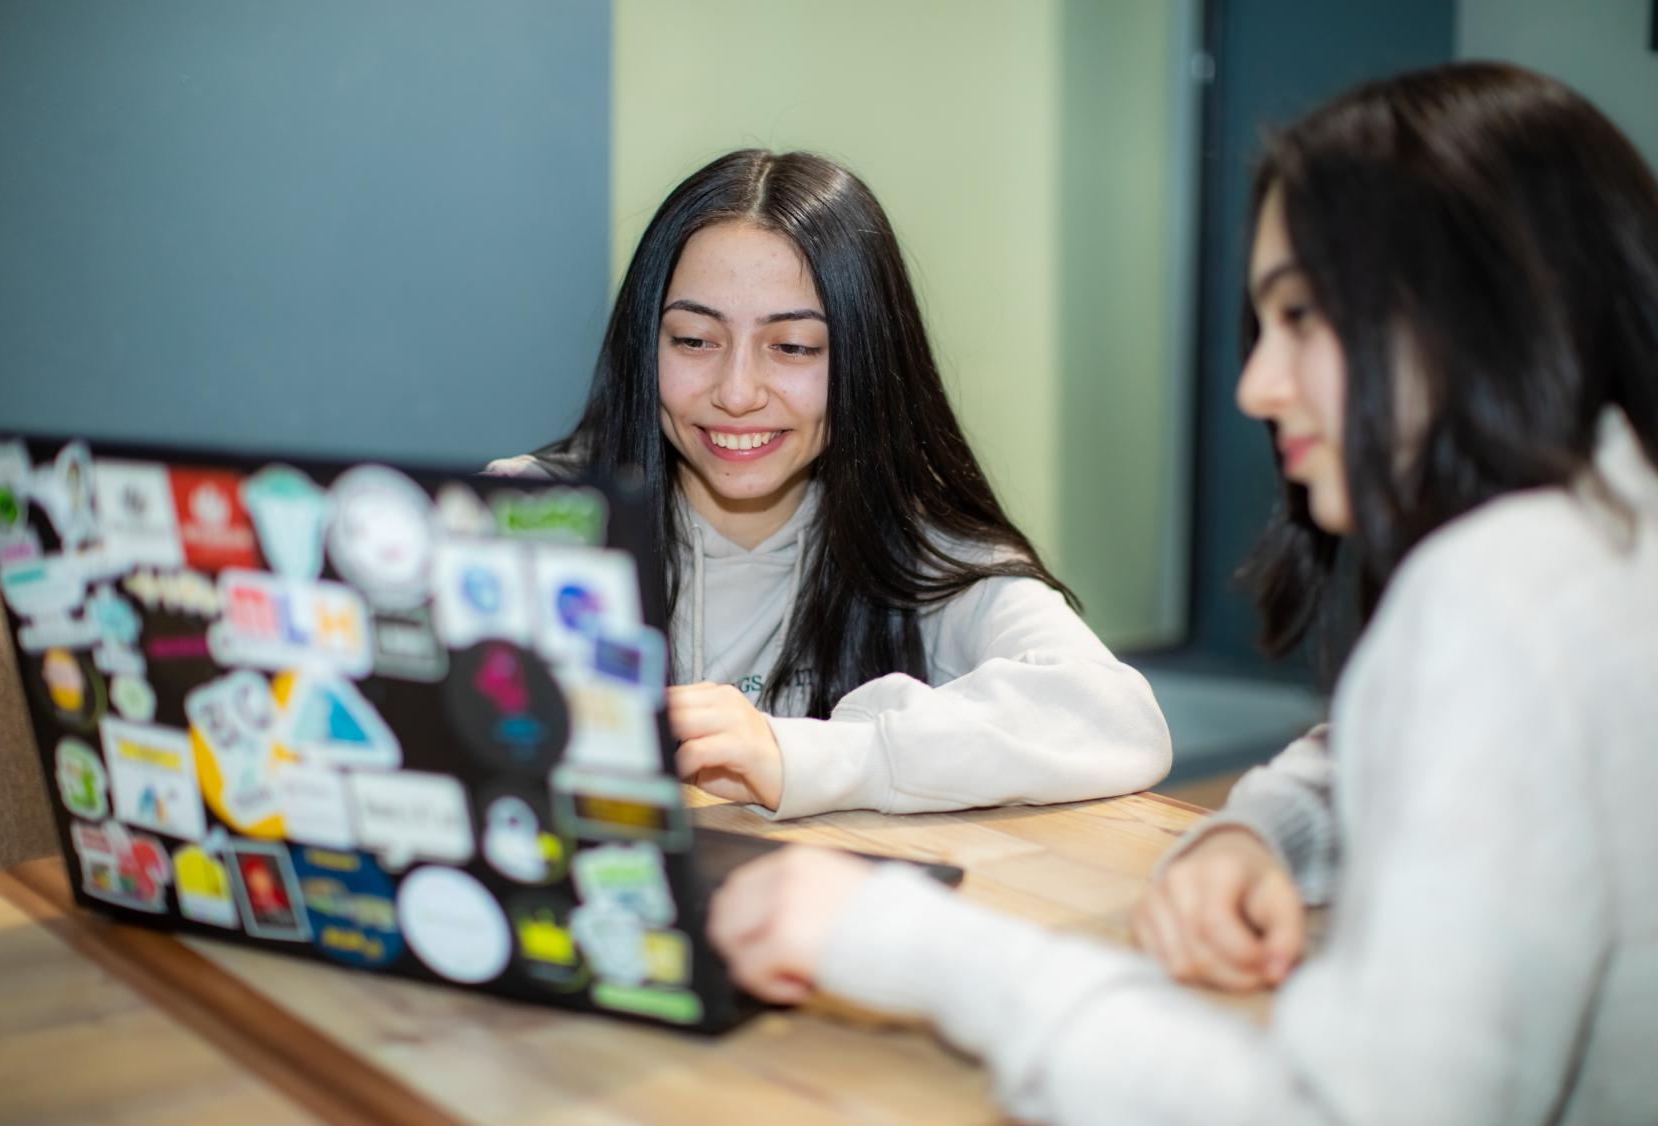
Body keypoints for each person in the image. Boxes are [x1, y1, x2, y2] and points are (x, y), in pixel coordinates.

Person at [708, 62, 1658, 1123]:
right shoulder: (1600, 545)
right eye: (694, 338)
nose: (1257, 384)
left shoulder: (1494, 599)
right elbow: (1374, 756)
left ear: (1482, 305)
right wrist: (1260, 831)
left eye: (1302, 316)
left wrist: (908, 945)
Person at [488, 150, 1170, 818]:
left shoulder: (916, 544)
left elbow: (1117, 718)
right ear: (647, 345)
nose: (736, 393)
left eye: (793, 348)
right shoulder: (536, 518)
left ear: (866, 361)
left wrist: (810, 755)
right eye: (695, 340)